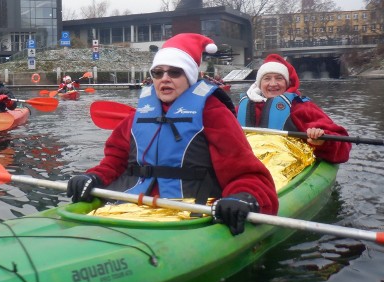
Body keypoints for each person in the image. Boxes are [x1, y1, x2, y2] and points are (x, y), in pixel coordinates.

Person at [66, 33, 279, 236]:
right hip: (130, 201)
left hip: (190, 208)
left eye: (174, 72)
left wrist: (243, 196)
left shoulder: (214, 114)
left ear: (189, 77)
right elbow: (114, 161)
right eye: (158, 73)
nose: (164, 79)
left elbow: (245, 173)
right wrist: (93, 176)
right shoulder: (137, 116)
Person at [237, 53, 351, 163]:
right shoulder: (240, 109)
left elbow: (343, 146)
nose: (273, 84)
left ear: (287, 83)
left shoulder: (301, 108)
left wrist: (322, 141)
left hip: (287, 168)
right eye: (267, 79)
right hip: (247, 164)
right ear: (259, 84)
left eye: (279, 78)